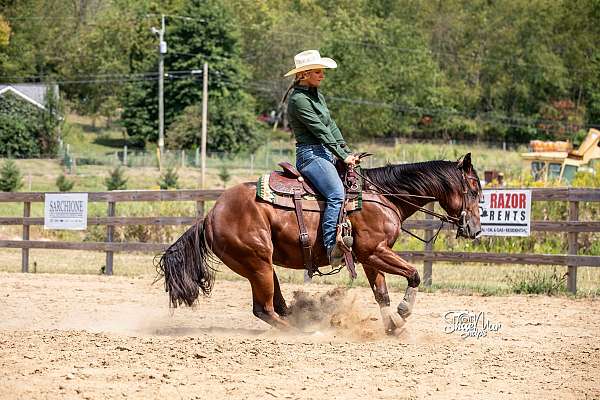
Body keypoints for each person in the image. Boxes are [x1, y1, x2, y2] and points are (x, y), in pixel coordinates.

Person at [284, 50, 359, 267]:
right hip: (310, 155)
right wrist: (343, 155)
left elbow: (330, 125)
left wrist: (346, 150)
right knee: (336, 193)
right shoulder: (298, 100)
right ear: (304, 74)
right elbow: (319, 131)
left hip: (325, 152)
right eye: (318, 71)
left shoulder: (317, 95)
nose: (322, 75)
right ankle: (330, 248)